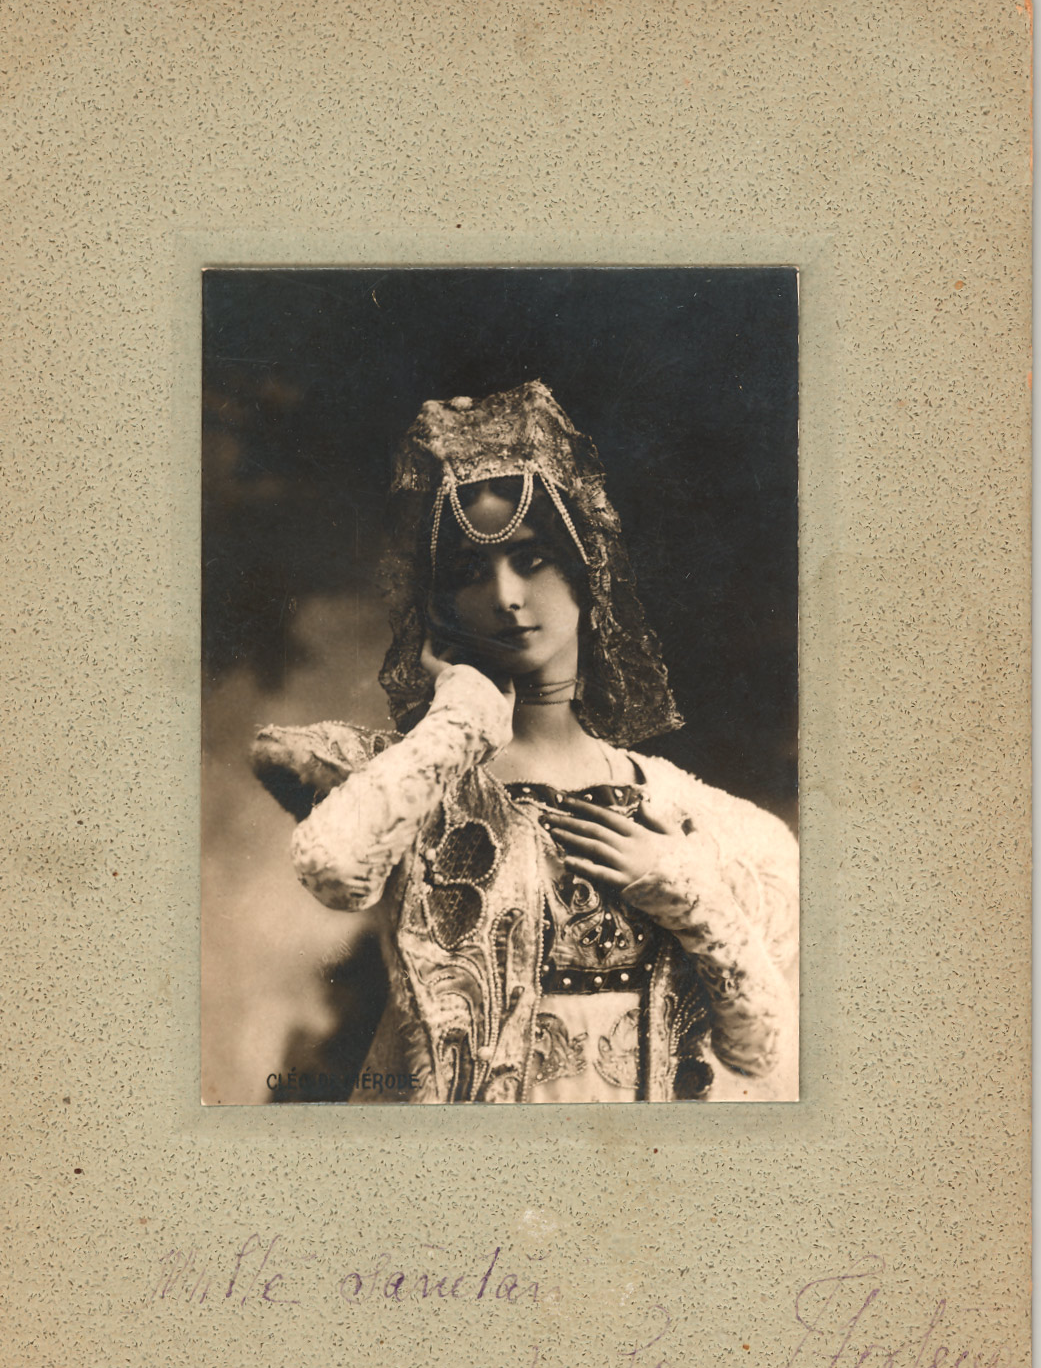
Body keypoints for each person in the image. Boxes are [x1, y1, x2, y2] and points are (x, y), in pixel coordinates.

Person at [252, 381, 798, 1103]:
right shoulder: (410, 778)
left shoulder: (699, 821)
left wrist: (684, 889)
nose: (506, 596)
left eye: (531, 560)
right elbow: (331, 867)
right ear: (442, 607)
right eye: (471, 573)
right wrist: (463, 717)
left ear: (585, 573)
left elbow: (760, 1052)